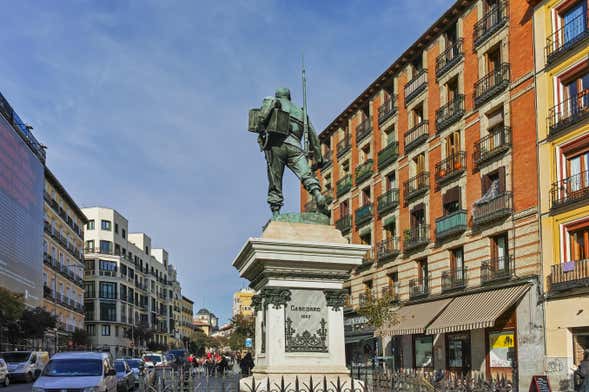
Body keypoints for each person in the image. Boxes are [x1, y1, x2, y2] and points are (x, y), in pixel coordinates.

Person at [252, 88, 327, 217]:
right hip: (295, 146)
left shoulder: (272, 100)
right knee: (306, 174)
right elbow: (313, 136)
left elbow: (261, 117)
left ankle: (276, 211)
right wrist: (319, 157)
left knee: (275, 180)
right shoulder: (301, 112)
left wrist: (260, 128)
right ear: (289, 97)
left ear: (278, 96)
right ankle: (317, 194)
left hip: (276, 144)